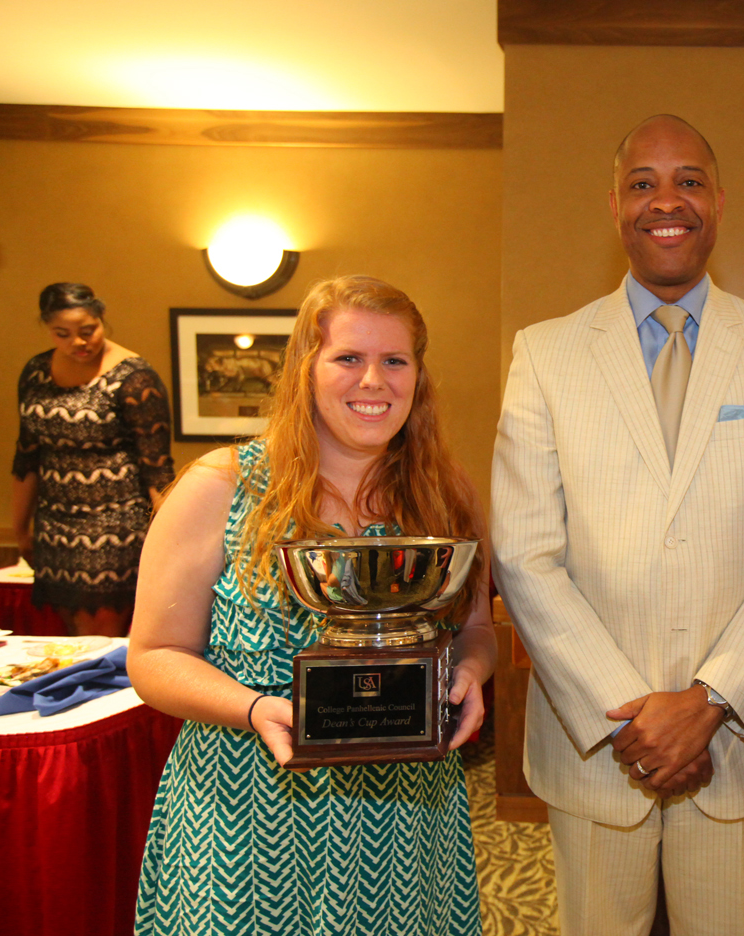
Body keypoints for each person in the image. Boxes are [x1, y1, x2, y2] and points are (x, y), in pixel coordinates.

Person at [490, 114, 744, 936]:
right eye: (643, 183)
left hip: (736, 747)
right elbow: (526, 553)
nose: (665, 200)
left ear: (719, 201)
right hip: (598, 742)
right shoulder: (545, 353)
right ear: (614, 204)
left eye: (687, 179)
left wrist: (708, 702)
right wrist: (637, 717)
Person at [127, 276, 494, 935]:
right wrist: (256, 708)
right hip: (245, 804)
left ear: (418, 374)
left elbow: (475, 629)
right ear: (306, 368)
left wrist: (470, 673)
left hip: (405, 818)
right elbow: (154, 657)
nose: (373, 381)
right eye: (349, 358)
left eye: (395, 361)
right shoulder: (222, 486)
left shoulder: (445, 494)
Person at [11, 282, 173, 636]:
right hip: (55, 523)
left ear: (102, 319)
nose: (78, 342)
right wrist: (20, 527)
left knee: (100, 632)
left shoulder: (133, 377)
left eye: (88, 331)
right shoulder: (36, 372)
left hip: (116, 523)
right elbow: (26, 455)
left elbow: (157, 469)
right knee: (73, 634)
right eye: (62, 334)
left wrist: (170, 536)